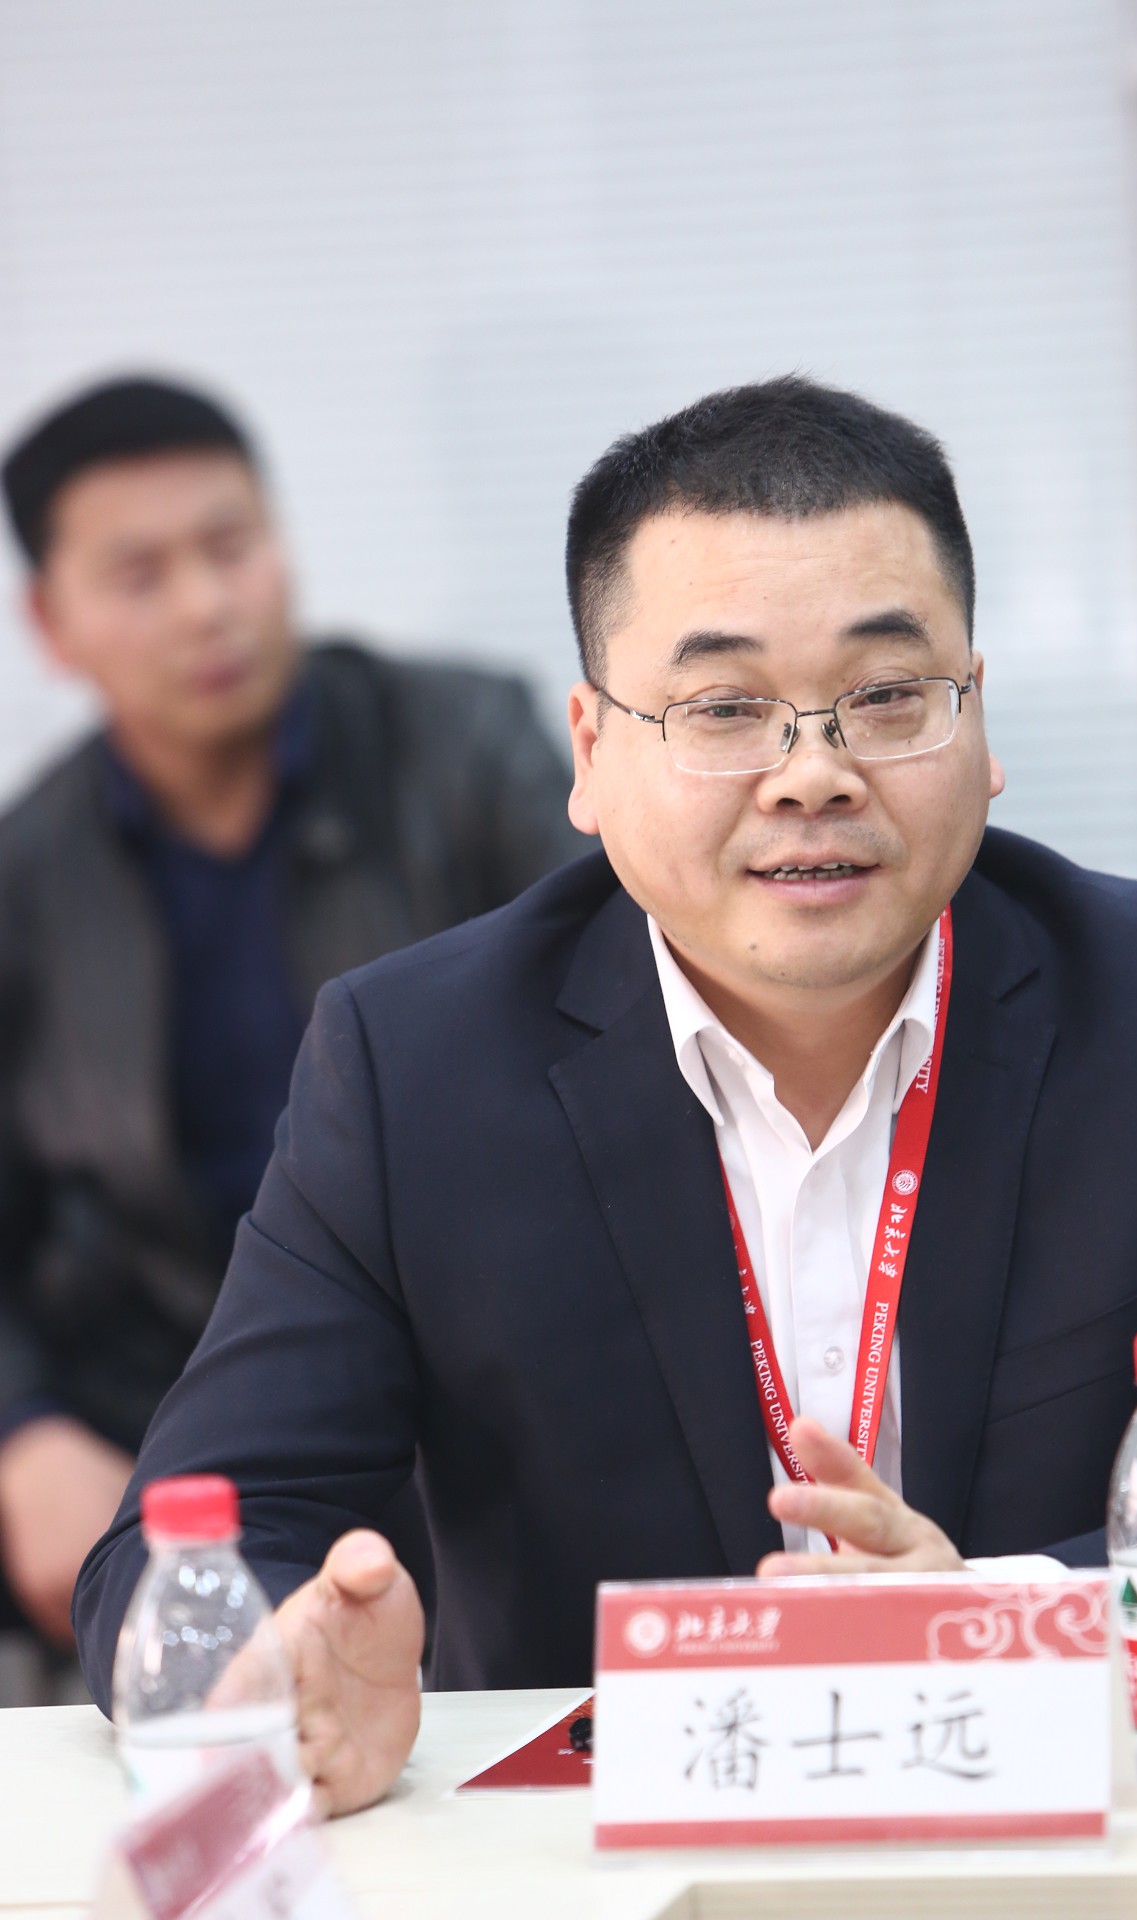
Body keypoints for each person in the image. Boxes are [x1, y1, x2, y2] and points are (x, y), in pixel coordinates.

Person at [74, 376, 1137, 1816]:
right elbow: (187, 1541)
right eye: (725, 710)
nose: (814, 775)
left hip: (1076, 1858)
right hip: (602, 1874)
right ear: (591, 753)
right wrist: (276, 1667)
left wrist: (999, 1619)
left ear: (979, 716)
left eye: (887, 698)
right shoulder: (413, 1067)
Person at [0, 375, 581, 1669]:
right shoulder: (27, 880)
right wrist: (22, 1430)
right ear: (51, 622)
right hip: (163, 1414)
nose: (207, 604)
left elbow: (616, 1040)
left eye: (232, 545)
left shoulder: (468, 750)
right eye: (141, 574)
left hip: (472, 1381)